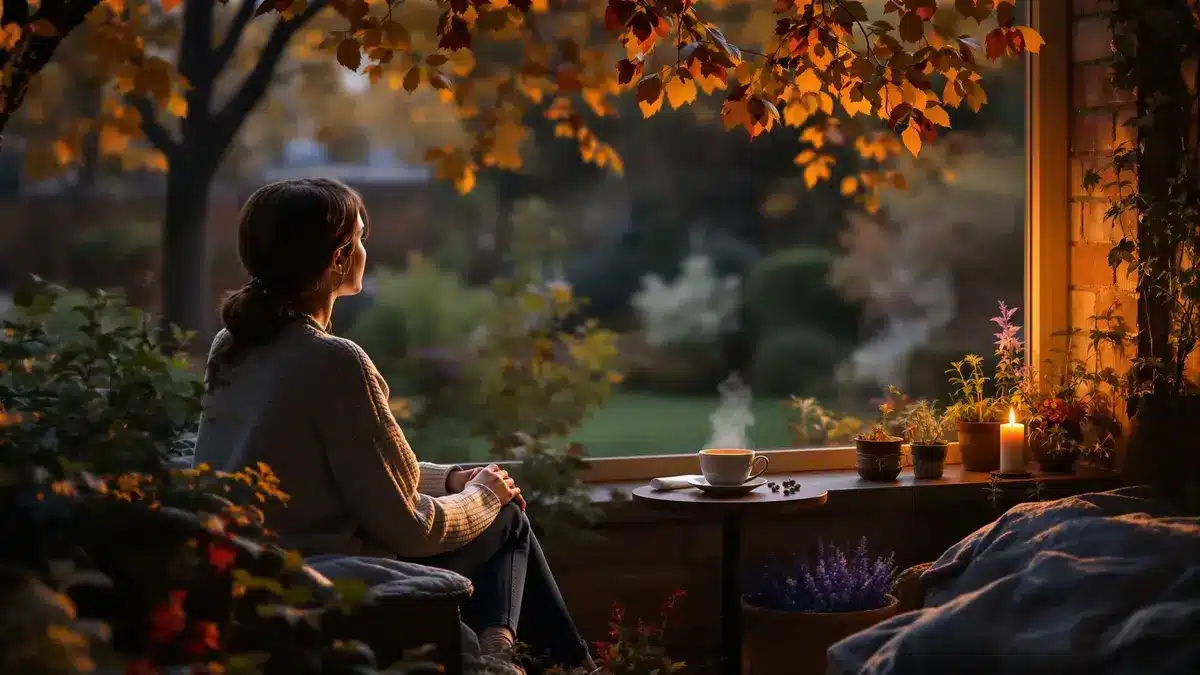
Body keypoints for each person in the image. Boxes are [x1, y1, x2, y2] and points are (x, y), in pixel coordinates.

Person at [193, 178, 595, 673]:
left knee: (500, 517)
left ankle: (509, 658)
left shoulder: (234, 346)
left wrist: (450, 480)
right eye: (360, 238)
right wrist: (485, 496)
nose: (366, 249)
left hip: (253, 569)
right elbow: (409, 527)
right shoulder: (334, 362)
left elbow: (351, 464)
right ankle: (539, 665)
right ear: (339, 258)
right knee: (507, 520)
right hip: (326, 580)